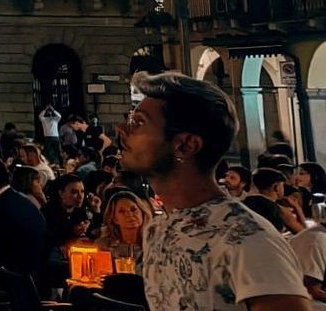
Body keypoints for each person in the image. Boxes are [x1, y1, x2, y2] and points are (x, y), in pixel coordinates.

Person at [121, 71, 309, 311]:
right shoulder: (157, 230)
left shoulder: (246, 239)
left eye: (138, 123)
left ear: (186, 145)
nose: (121, 130)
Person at [95, 187, 148, 267]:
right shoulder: (103, 246)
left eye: (133, 209)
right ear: (115, 219)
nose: (129, 215)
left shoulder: (153, 245)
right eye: (122, 211)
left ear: (142, 213)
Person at [44, 173, 94, 249]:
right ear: (61, 193)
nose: (80, 196)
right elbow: (49, 240)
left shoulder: (80, 211)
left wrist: (96, 210)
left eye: (82, 191)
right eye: (74, 192)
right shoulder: (47, 213)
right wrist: (72, 232)